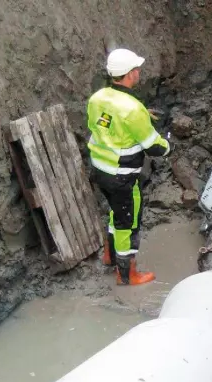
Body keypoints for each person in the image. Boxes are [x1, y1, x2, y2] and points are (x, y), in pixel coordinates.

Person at [86, 48, 171, 286]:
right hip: (122, 175)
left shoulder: (97, 98)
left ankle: (109, 256)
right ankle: (127, 274)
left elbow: (100, 126)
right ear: (130, 74)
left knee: (115, 210)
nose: (139, 72)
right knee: (128, 222)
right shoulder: (133, 109)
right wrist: (168, 146)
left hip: (100, 169)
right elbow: (153, 147)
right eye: (136, 69)